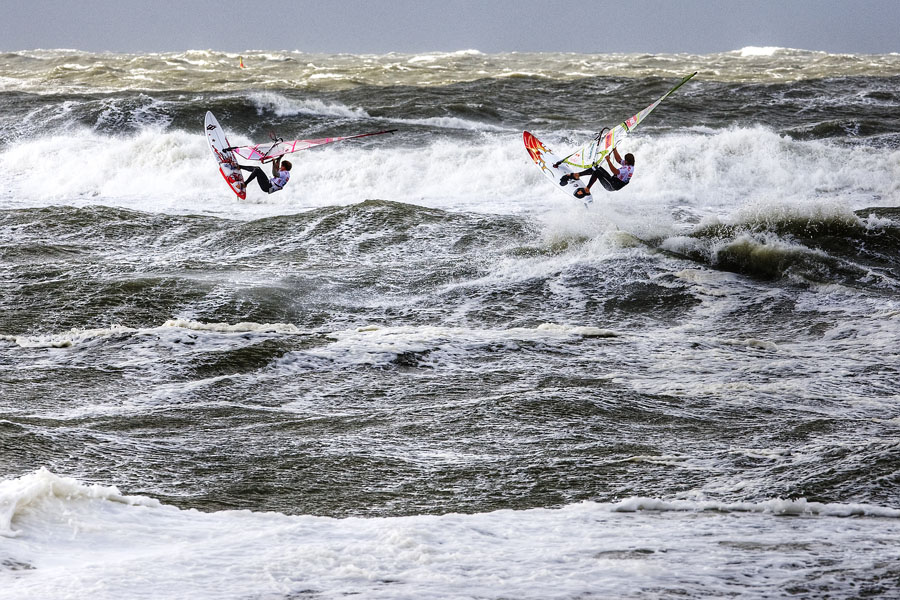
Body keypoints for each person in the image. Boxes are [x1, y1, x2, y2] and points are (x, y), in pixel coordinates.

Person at [559, 148, 634, 198]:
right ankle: (577, 175)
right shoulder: (629, 164)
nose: (624, 161)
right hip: (612, 180)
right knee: (596, 167)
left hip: (612, 186)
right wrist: (614, 149)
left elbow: (615, 171)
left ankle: (587, 189)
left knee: (596, 171)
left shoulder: (628, 169)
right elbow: (619, 160)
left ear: (627, 161)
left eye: (625, 160)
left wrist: (608, 161)